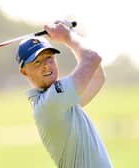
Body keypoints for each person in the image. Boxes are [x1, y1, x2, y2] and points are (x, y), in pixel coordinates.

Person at [16, 21, 113, 168]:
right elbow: (92, 59)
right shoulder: (50, 102)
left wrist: (70, 35)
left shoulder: (61, 100)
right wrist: (67, 36)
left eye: (49, 57)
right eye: (37, 62)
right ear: (24, 72)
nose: (46, 65)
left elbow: (98, 77)